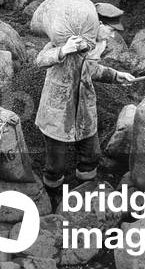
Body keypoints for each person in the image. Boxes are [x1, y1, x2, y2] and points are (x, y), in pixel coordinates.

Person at [34, 32, 133, 211]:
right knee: (56, 164)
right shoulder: (58, 44)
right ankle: (53, 195)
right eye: (106, 28)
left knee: (92, 154)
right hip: (58, 115)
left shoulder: (90, 46)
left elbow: (93, 69)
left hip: (84, 112)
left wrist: (117, 75)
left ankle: (86, 188)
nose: (109, 33)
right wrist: (63, 50)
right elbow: (40, 60)